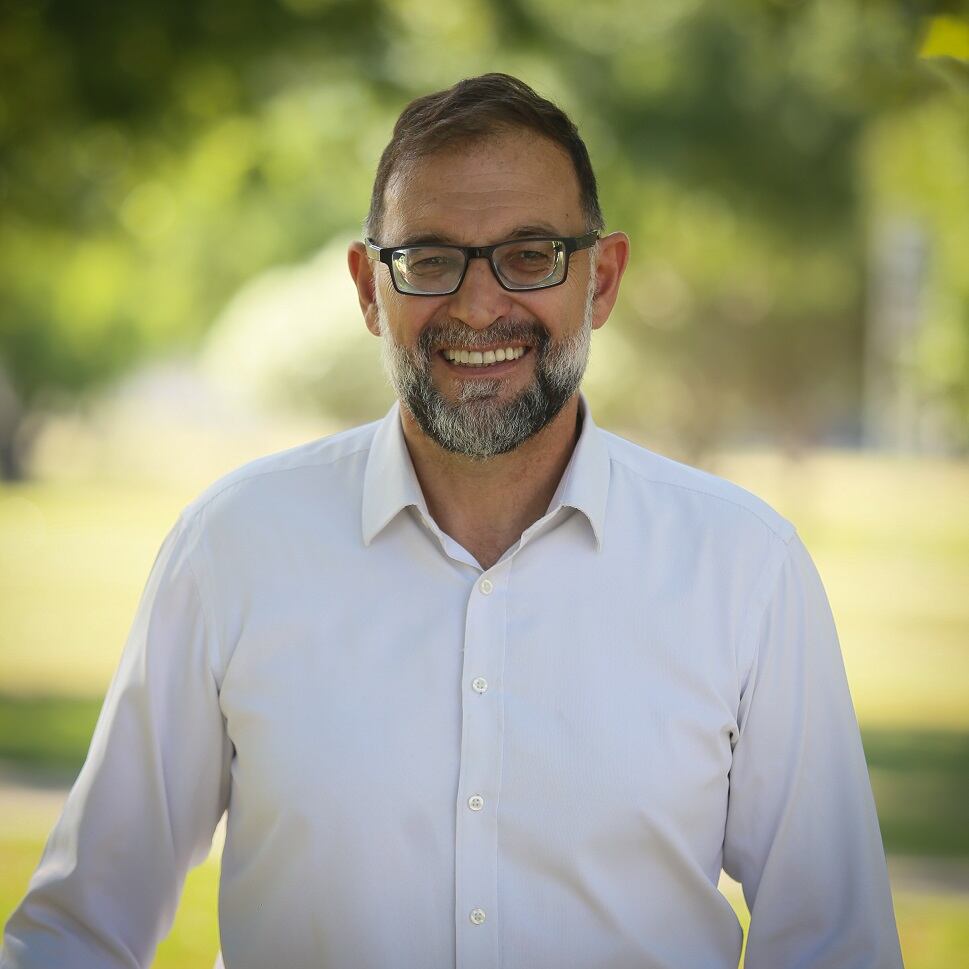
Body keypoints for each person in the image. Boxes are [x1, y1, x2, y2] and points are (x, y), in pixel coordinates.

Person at [1, 73, 902, 969]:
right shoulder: (232, 548)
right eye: (430, 258)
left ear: (601, 279)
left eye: (530, 254)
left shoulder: (744, 566)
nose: (478, 306)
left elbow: (834, 946)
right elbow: (78, 932)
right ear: (367, 287)